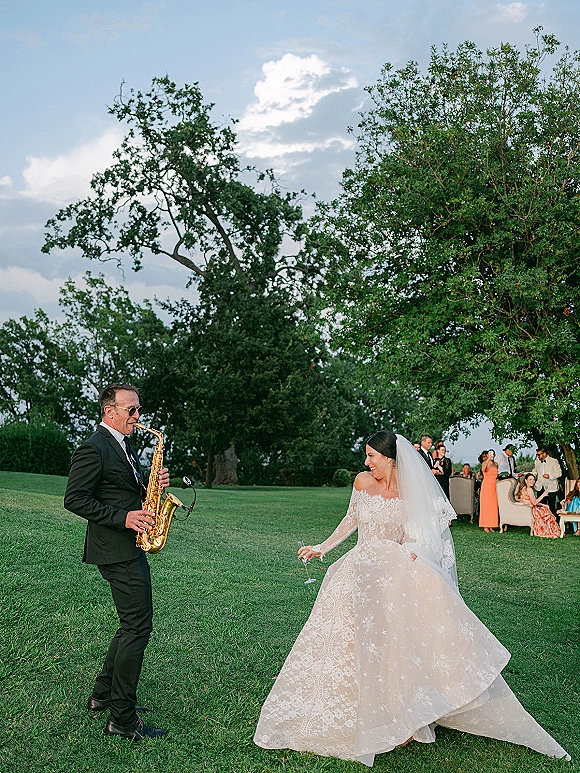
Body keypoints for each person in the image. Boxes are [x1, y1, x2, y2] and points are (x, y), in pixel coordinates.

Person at [254, 431, 569, 765]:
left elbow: (417, 536)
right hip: (358, 569)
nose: (366, 462)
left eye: (372, 456)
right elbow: (351, 519)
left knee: (394, 643)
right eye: (366, 455)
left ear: (390, 459)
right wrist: (322, 548)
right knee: (350, 638)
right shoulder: (362, 481)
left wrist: (415, 550)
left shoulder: (411, 490)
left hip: (392, 572)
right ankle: (352, 704)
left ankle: (404, 716)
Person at [64, 382, 169, 740]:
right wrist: (124, 518)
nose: (137, 416)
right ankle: (122, 719)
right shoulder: (93, 448)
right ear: (110, 411)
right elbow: (74, 499)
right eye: (131, 410)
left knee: (130, 625)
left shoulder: (123, 444)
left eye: (138, 409)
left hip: (127, 547)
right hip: (115, 548)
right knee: (138, 628)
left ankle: (103, 694)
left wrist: (152, 483)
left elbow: (122, 489)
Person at [515, 474, 561, 539]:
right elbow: (534, 502)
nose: (532, 481)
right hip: (531, 509)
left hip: (528, 507)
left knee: (545, 507)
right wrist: (543, 495)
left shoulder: (524, 488)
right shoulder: (529, 489)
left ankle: (552, 529)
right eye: (530, 479)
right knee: (546, 512)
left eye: (533, 480)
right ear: (525, 480)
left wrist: (542, 504)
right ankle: (551, 530)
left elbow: (531, 501)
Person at [532, 449, 562, 515]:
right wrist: (529, 475)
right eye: (537, 455)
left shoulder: (554, 461)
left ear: (544, 454)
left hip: (551, 487)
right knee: (541, 507)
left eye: (539, 455)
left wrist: (550, 476)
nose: (537, 456)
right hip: (540, 487)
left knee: (551, 507)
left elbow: (559, 473)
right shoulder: (537, 461)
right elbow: (535, 471)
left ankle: (552, 520)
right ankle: (542, 521)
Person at [479, 449, 499, 533]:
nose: (492, 455)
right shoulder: (485, 463)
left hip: (494, 485)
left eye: (493, 453)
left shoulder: (496, 464)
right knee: (486, 505)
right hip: (487, 485)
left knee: (493, 505)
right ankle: (485, 525)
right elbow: (483, 470)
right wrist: (487, 460)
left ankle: (492, 525)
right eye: (490, 453)